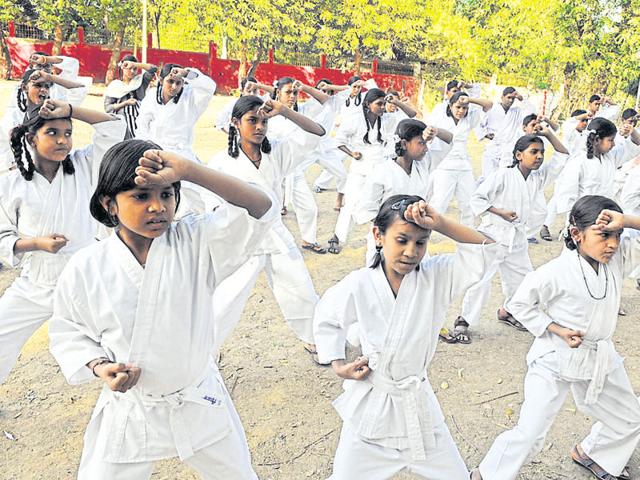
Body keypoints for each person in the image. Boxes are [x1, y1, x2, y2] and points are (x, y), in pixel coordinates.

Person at [48, 140, 274, 479]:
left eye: (167, 195)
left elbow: (261, 206)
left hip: (198, 399)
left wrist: (189, 170)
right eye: (141, 196)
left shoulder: (196, 241)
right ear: (110, 204)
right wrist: (101, 366)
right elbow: (68, 329)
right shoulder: (86, 267)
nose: (158, 207)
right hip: (134, 406)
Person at [314, 195, 494, 480]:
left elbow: (486, 250)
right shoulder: (359, 283)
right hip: (373, 410)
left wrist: (442, 223)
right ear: (378, 236)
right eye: (402, 240)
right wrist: (337, 364)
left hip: (418, 407)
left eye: (420, 242)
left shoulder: (437, 276)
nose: (411, 251)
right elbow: (327, 317)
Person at [472, 196, 640, 480]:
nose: (612, 243)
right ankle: (486, 475)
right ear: (577, 234)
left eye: (618, 235)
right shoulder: (554, 272)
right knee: (531, 434)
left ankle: (593, 452)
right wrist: (555, 328)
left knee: (630, 417)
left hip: (599, 355)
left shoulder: (618, 258)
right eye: (604, 235)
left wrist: (628, 221)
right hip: (554, 358)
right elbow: (519, 304)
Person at [0, 100, 126, 386]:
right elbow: (2, 238)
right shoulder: (11, 184)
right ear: (32, 139)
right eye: (53, 133)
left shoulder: (84, 165)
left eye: (68, 133)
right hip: (36, 284)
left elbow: (113, 127)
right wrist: (36, 243)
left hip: (87, 282)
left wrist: (69, 109)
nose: (62, 140)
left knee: (122, 340)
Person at [209, 95, 326, 360]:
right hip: (241, 240)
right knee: (223, 302)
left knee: (302, 290)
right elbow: (211, 204)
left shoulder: (278, 152)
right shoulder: (220, 162)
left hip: (275, 234)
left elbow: (317, 132)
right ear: (235, 123)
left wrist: (284, 111)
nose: (259, 127)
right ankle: (205, 352)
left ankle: (315, 339)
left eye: (264, 121)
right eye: (252, 120)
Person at [444, 132, 568, 344]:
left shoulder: (538, 178)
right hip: (493, 236)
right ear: (519, 155)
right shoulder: (503, 175)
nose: (539, 156)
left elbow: (563, 155)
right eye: (533, 152)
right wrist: (499, 211)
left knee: (524, 279)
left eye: (541, 153)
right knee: (482, 280)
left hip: (517, 240)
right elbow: (478, 197)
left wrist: (547, 133)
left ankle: (508, 311)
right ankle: (464, 320)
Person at [327, 88, 417, 254]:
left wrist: (395, 101)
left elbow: (412, 115)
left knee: (381, 206)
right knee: (351, 204)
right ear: (368, 104)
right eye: (379, 104)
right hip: (360, 167)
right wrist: (352, 153)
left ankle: (378, 241)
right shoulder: (355, 119)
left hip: (380, 168)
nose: (383, 107)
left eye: (384, 104)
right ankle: (338, 238)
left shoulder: (388, 119)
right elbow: (339, 140)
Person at [354, 119, 453, 264]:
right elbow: (367, 209)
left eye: (426, 143)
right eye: (421, 143)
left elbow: (449, 140)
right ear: (404, 144)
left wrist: (435, 130)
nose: (425, 148)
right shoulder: (382, 171)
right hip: (389, 237)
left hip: (417, 236)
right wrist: (392, 227)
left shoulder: (423, 164)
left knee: (417, 279)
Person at [428, 91, 492, 225]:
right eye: (458, 107)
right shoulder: (440, 118)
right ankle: (424, 233)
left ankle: (466, 241)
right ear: (450, 106)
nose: (461, 111)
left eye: (464, 108)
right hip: (444, 165)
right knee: (439, 204)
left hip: (464, 166)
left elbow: (489, 105)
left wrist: (469, 100)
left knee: (469, 204)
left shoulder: (469, 119)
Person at [554, 117, 640, 217]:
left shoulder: (610, 158)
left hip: (605, 214)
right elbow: (567, 194)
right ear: (597, 140)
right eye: (610, 140)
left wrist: (632, 131)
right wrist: (575, 220)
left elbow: (634, 145)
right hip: (583, 216)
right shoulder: (578, 162)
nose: (613, 144)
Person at [136, 63, 216, 162]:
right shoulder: (152, 96)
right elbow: (142, 127)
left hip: (181, 154)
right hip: (153, 152)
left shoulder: (190, 97)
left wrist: (186, 73)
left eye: (178, 83)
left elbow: (209, 87)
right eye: (170, 81)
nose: (174, 87)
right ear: (161, 81)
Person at [540, 109, 591, 241]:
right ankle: (545, 225)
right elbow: (569, 122)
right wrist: (586, 114)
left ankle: (568, 228)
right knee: (557, 198)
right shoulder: (569, 132)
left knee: (575, 200)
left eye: (586, 121)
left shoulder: (586, 135)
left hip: (580, 173)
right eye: (582, 120)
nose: (585, 123)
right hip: (564, 172)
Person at [479, 87, 535, 178]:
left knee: (504, 178)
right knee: (488, 178)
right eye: (509, 97)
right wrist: (485, 134)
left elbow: (531, 113)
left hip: (507, 151)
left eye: (513, 98)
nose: (511, 100)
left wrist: (521, 99)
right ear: (502, 97)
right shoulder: (492, 109)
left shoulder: (516, 111)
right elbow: (479, 123)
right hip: (492, 148)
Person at [103, 55, 158, 139]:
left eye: (135, 69)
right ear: (123, 68)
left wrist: (135, 64)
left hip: (140, 120)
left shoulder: (141, 81)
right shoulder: (115, 85)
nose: (132, 71)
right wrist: (125, 103)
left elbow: (154, 69)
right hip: (122, 124)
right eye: (129, 68)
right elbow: (108, 108)